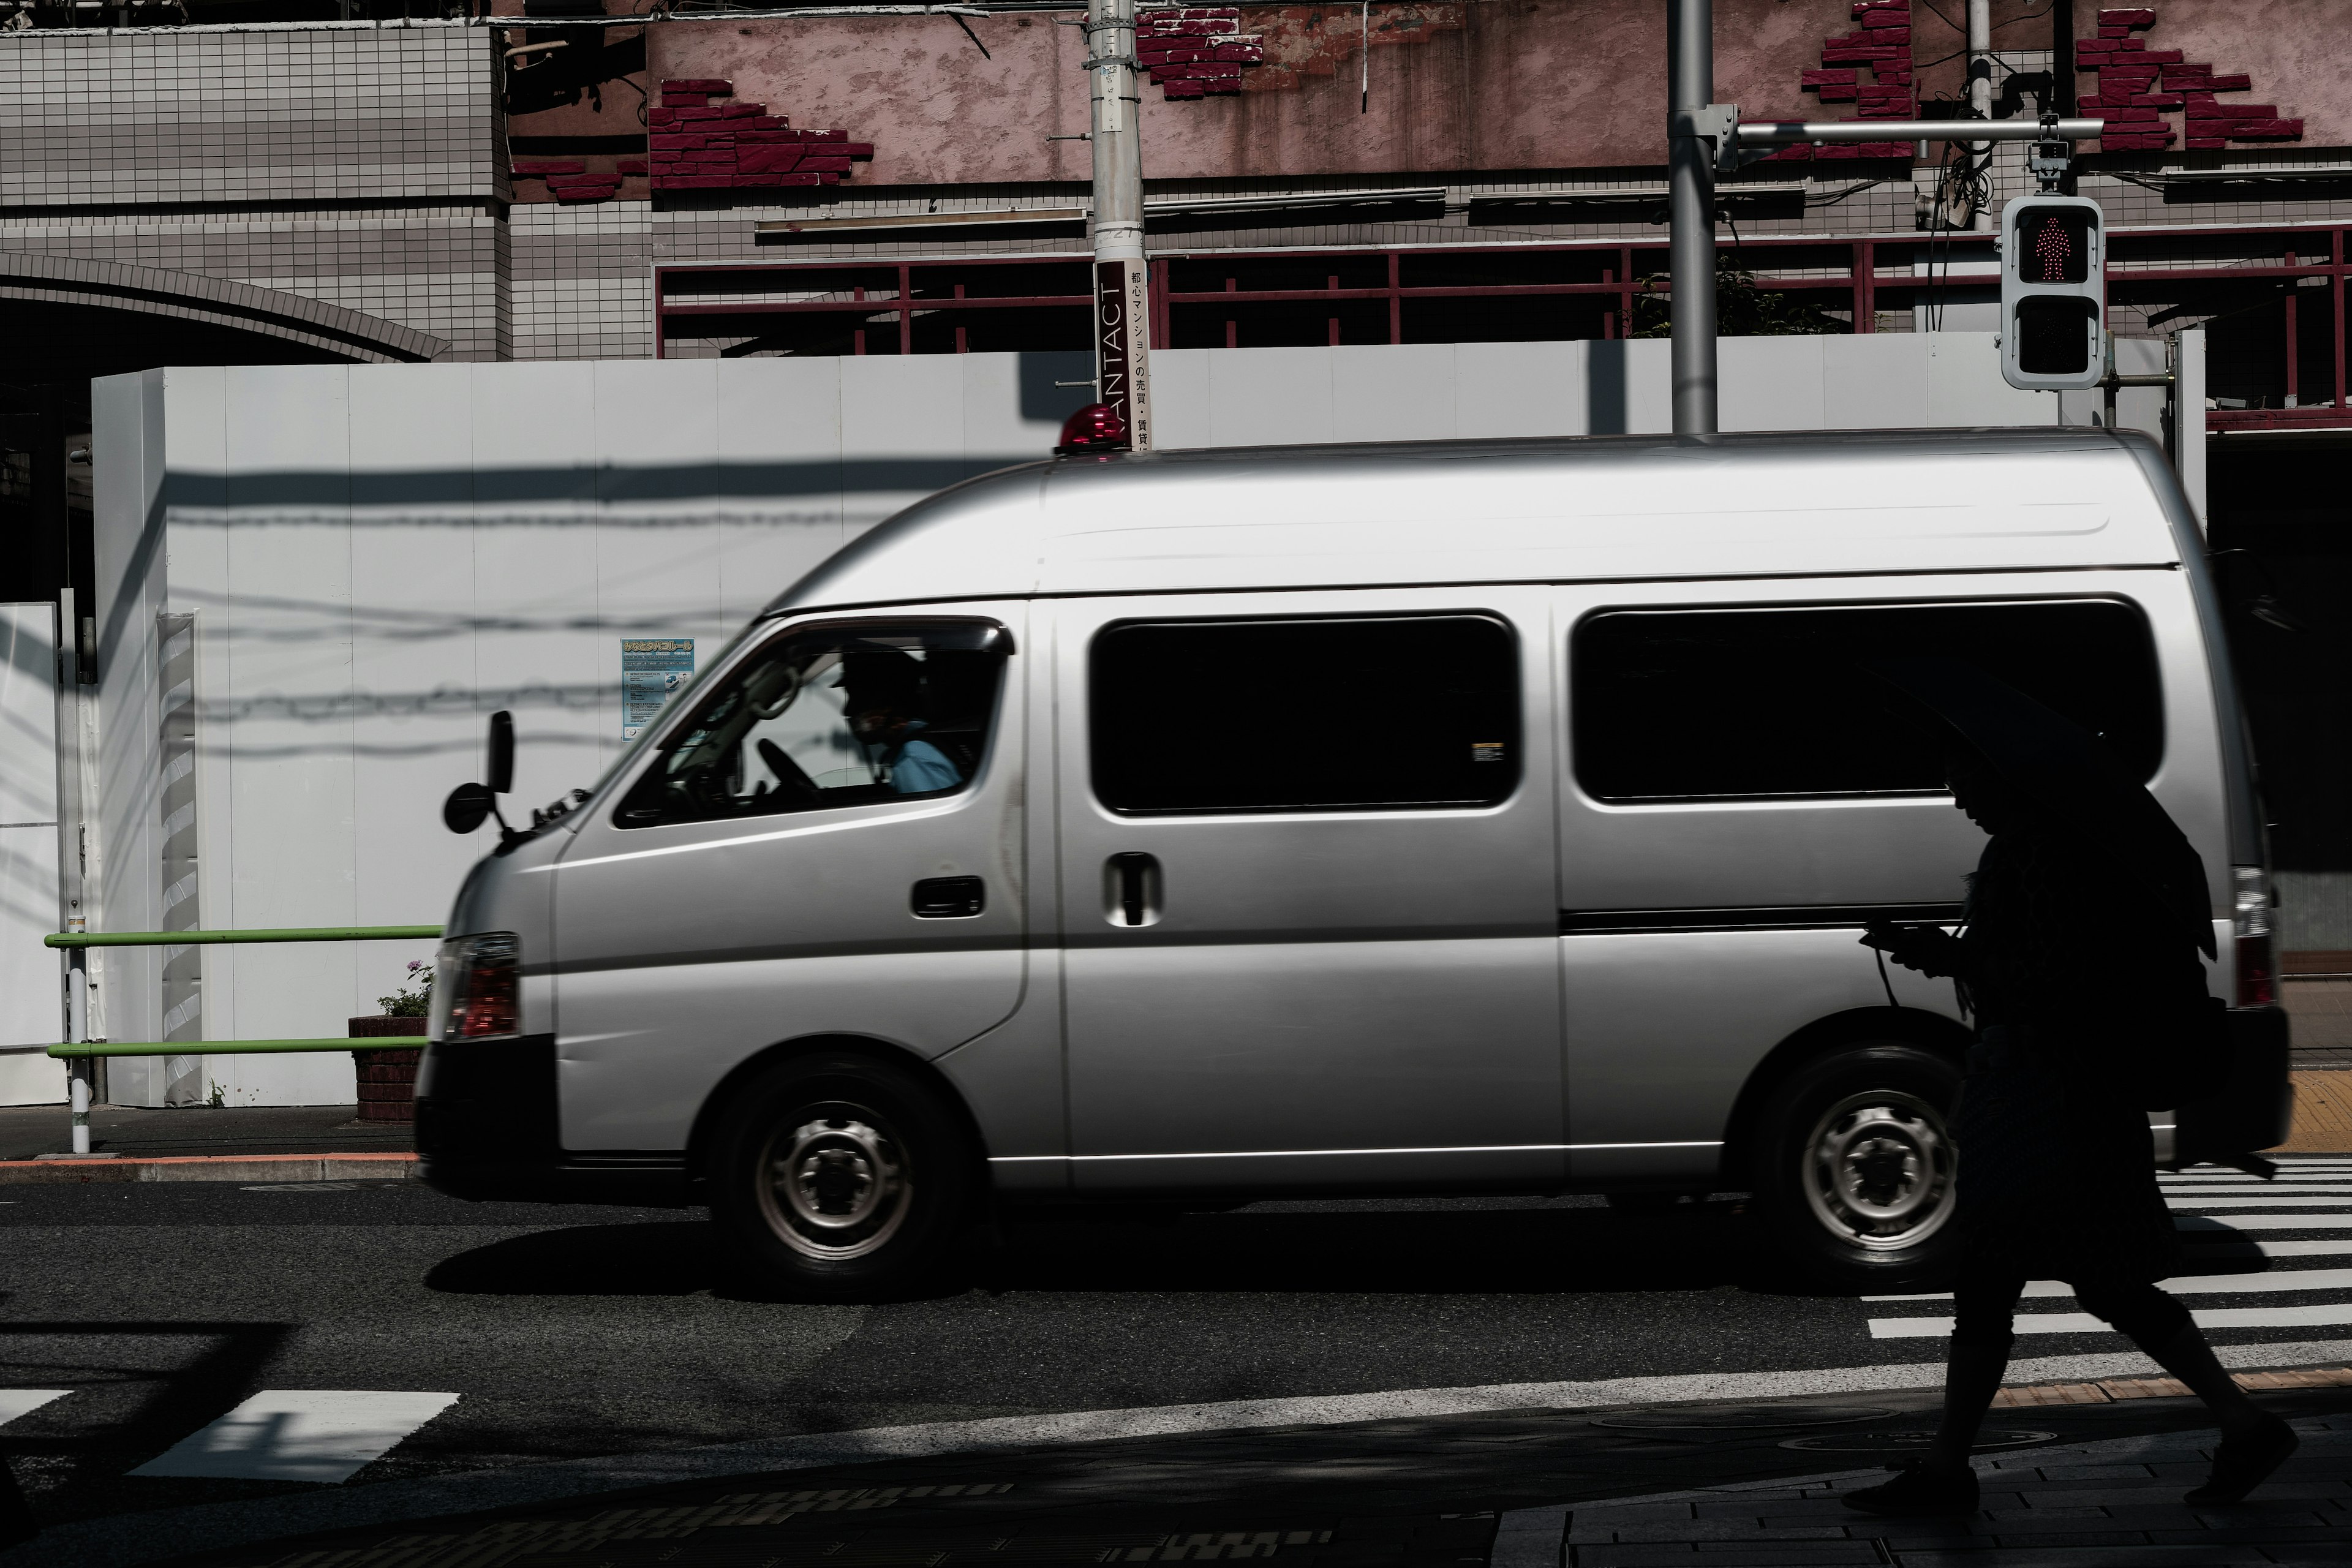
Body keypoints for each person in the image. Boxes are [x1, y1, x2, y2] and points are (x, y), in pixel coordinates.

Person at [1844, 660, 2296, 1517]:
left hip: (2053, 1100)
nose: (1957, 794)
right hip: (2066, 1096)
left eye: (1964, 776)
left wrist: (1948, 955)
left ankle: (1949, 1469)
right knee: (2095, 1280)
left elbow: (2053, 980)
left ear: (2002, 772)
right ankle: (2242, 1423)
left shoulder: (2041, 852)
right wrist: (1952, 953)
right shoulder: (2048, 846)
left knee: (2004, 1271)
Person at [837, 644, 963, 795]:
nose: (847, 710)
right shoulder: (927, 742)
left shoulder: (913, 759)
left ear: (888, 702)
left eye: (856, 697)